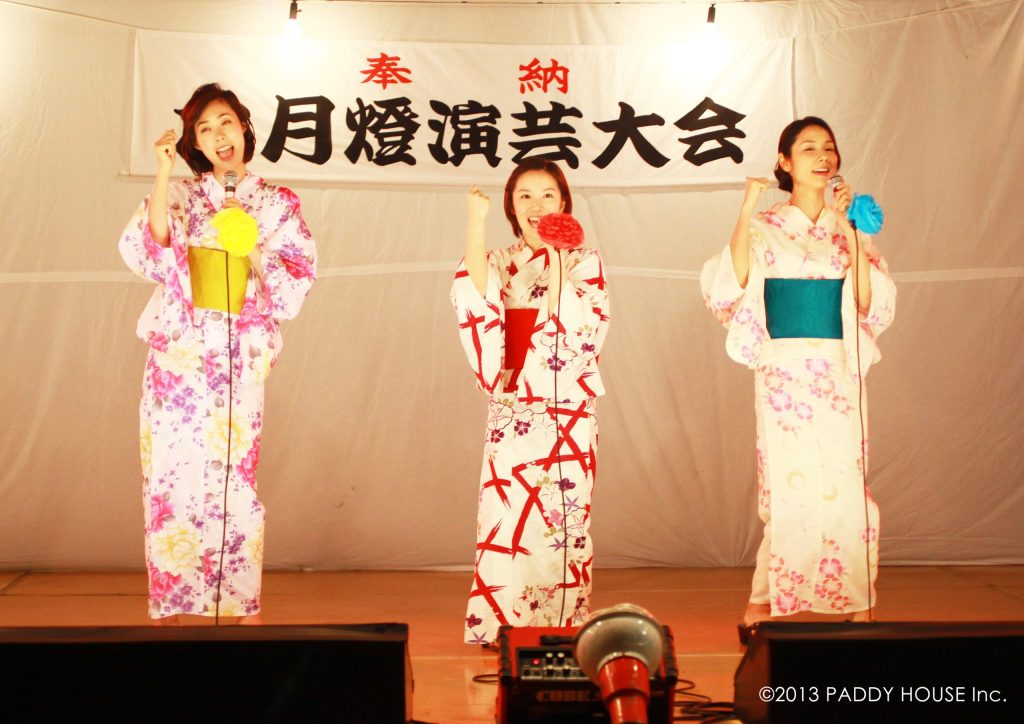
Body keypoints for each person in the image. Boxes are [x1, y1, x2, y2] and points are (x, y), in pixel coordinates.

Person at [119, 83, 317, 624]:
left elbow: (296, 280)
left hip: (237, 350)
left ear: (244, 127)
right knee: (171, 475)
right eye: (204, 129)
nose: (218, 135)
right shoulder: (184, 195)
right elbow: (152, 249)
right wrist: (163, 173)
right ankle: (174, 602)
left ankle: (239, 603)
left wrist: (252, 247)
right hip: (181, 356)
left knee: (235, 478)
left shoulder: (277, 203)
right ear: (195, 144)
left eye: (225, 122)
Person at [700, 117, 896, 638]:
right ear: (784, 162)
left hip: (838, 365)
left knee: (846, 485)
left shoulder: (847, 224)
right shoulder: (765, 224)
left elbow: (868, 303)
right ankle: (764, 603)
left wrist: (852, 231)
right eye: (808, 148)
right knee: (788, 489)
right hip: (783, 369)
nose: (822, 156)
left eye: (828, 147)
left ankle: (860, 601)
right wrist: (747, 207)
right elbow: (731, 286)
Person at [451, 159, 610, 645]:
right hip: (514, 399)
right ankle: (502, 625)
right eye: (524, 196)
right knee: (506, 513)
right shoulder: (501, 259)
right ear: (511, 206)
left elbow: (578, 324)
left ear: (563, 202)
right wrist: (475, 224)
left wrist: (558, 256)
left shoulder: (586, 260)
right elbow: (474, 294)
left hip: (568, 404)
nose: (536, 205)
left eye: (547, 195)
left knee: (563, 516)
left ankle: (562, 624)